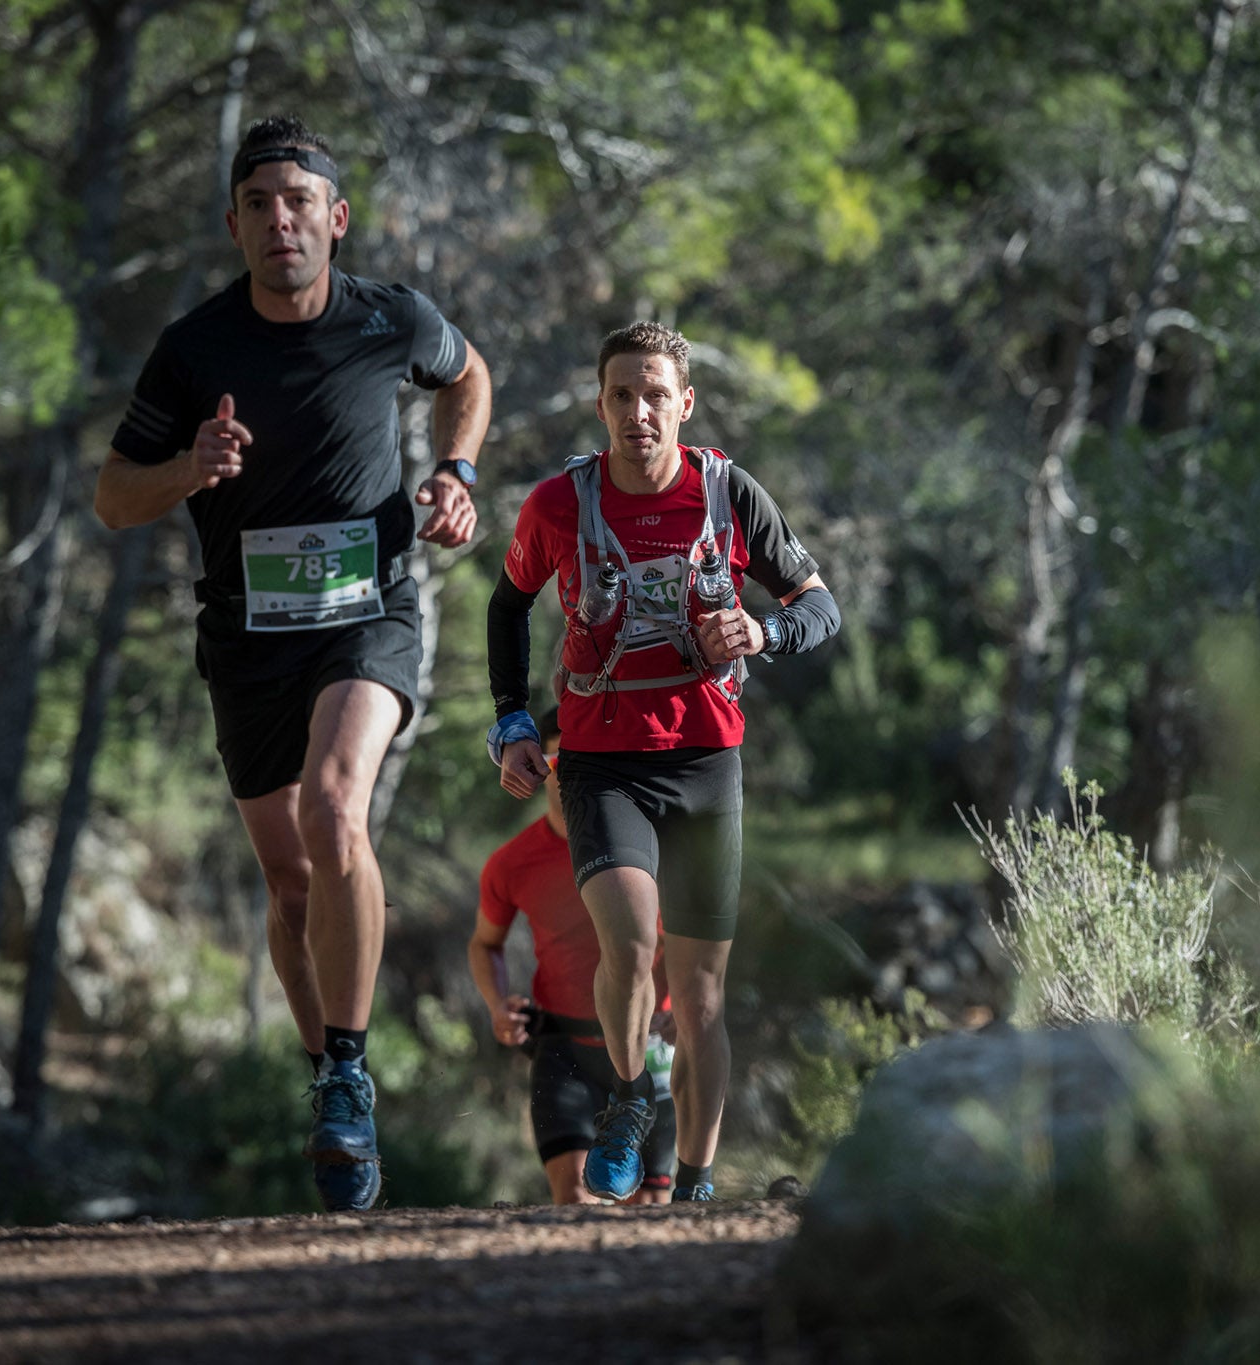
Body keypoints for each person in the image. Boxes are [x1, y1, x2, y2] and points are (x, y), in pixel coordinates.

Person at [94, 115, 492, 1212]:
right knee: (288, 883)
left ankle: (352, 1073)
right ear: (235, 225)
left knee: (334, 811)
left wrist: (456, 475)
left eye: (299, 200)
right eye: (259, 203)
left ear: (335, 218)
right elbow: (111, 496)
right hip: (245, 638)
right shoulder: (194, 349)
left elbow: (468, 378)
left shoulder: (389, 318)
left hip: (367, 615)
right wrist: (187, 466)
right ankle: (325, 1074)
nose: (281, 219)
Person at [484, 321, 840, 1203]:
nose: (637, 412)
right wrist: (510, 722)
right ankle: (634, 1092)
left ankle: (695, 1184)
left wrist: (766, 628)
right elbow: (507, 605)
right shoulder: (559, 504)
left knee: (705, 993)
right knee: (633, 943)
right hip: (600, 763)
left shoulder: (728, 494)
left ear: (685, 402)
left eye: (654, 394)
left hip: (707, 762)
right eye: (620, 395)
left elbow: (820, 603)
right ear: (600, 403)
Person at [469, 707, 677, 1205]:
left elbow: (690, 941)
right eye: (560, 758)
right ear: (538, 763)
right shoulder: (511, 862)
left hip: (650, 1043)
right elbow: (485, 944)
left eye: (585, 755)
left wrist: (683, 1005)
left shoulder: (651, 848)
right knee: (574, 1196)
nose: (572, 768)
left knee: (651, 1206)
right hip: (563, 1047)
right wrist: (498, 1004)